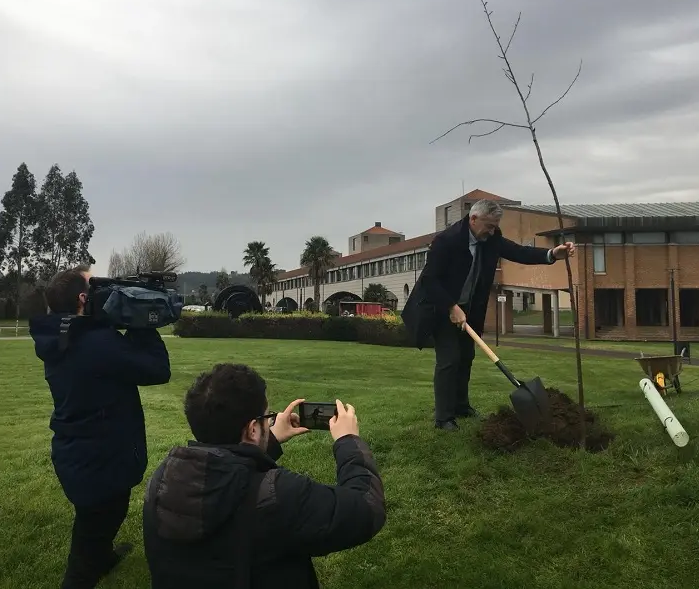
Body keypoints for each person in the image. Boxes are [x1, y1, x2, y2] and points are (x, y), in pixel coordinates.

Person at [142, 362, 386, 589]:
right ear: (252, 429)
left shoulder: (163, 479)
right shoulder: (277, 495)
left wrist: (270, 439)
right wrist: (347, 441)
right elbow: (365, 510)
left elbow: (225, 471)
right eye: (266, 418)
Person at [28, 265, 172, 589]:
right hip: (99, 459)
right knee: (90, 542)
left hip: (77, 452)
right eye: (97, 288)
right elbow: (158, 369)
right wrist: (140, 319)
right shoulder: (95, 344)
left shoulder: (62, 335)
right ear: (83, 298)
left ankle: (103, 555)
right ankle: (91, 566)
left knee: (95, 519)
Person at [402, 199, 576, 430]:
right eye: (489, 225)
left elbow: (518, 251)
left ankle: (461, 407)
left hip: (471, 309)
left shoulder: (491, 238)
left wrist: (552, 253)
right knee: (449, 359)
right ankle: (443, 418)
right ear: (473, 219)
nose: (493, 231)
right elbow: (429, 281)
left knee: (466, 357)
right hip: (440, 307)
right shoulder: (447, 241)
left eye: (495, 226)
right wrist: (451, 307)